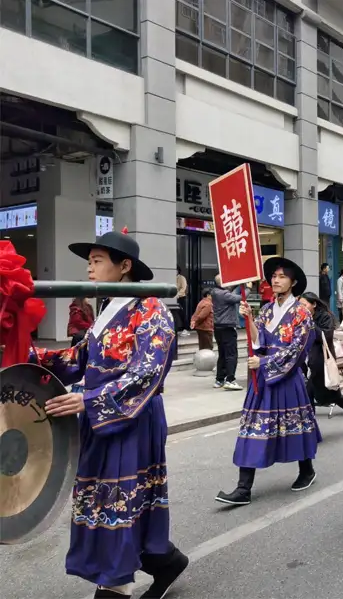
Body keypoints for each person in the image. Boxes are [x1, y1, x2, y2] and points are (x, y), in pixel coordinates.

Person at [33, 228, 188, 599]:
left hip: (132, 418)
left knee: (121, 504)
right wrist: (27, 354)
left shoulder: (151, 309)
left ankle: (115, 586)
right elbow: (78, 358)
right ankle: (166, 562)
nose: (89, 268)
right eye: (89, 261)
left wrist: (90, 399)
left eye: (97, 260)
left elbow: (149, 370)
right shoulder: (106, 310)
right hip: (100, 419)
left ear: (124, 266)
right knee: (106, 503)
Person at [215, 258, 320, 506]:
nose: (276, 279)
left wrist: (264, 363)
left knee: (294, 427)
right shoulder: (266, 310)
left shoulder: (302, 313)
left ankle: (307, 470)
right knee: (252, 428)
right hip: (262, 380)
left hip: (286, 377)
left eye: (282, 276)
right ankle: (243, 488)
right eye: (273, 275)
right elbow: (258, 341)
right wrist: (249, 320)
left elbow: (297, 350)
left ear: (293, 282)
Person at [300, 291, 343, 414]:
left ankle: (310, 423)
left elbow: (325, 336)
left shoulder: (324, 317)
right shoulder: (302, 318)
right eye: (300, 306)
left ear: (313, 304)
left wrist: (309, 323)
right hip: (309, 360)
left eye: (304, 305)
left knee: (309, 393)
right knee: (332, 395)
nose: (301, 308)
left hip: (322, 361)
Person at [211, 275, 244, 391]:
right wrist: (248, 288)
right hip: (227, 327)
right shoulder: (224, 295)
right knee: (231, 354)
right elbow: (240, 298)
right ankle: (230, 379)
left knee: (223, 354)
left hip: (218, 327)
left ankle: (219, 379)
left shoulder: (215, 292)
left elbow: (231, 292)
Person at [175, 266, 189, 337]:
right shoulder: (172, 277)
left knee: (182, 313)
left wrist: (178, 294)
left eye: (176, 270)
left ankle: (186, 329)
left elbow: (183, 288)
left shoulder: (182, 278)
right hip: (174, 298)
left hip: (181, 297)